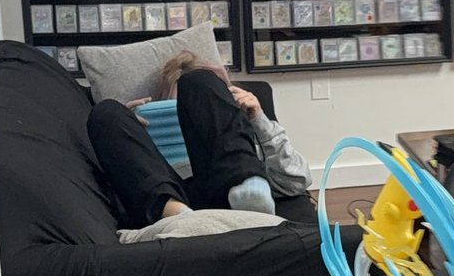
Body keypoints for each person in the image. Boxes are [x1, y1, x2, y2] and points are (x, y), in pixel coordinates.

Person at [86, 56, 313, 229]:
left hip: (228, 194)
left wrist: (259, 121)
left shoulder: (252, 133)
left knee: (199, 81)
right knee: (107, 112)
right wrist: (126, 128)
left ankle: (247, 188)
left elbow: (296, 182)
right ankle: (180, 218)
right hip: (171, 200)